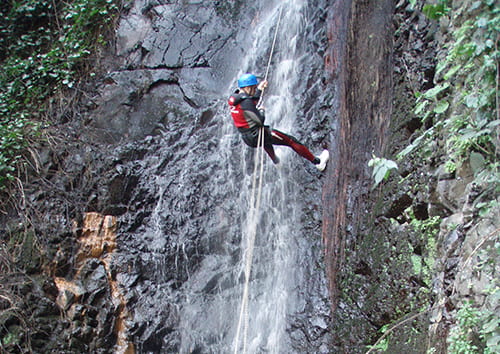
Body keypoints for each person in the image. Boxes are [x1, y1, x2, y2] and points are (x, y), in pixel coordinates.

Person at [228, 73, 329, 171]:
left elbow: (250, 102)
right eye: (253, 88)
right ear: (247, 88)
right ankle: (318, 162)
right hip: (257, 134)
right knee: (291, 141)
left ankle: (277, 162)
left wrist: (259, 89)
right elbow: (260, 120)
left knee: (266, 142)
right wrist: (262, 110)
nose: (254, 90)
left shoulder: (235, 99)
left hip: (247, 137)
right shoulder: (246, 102)